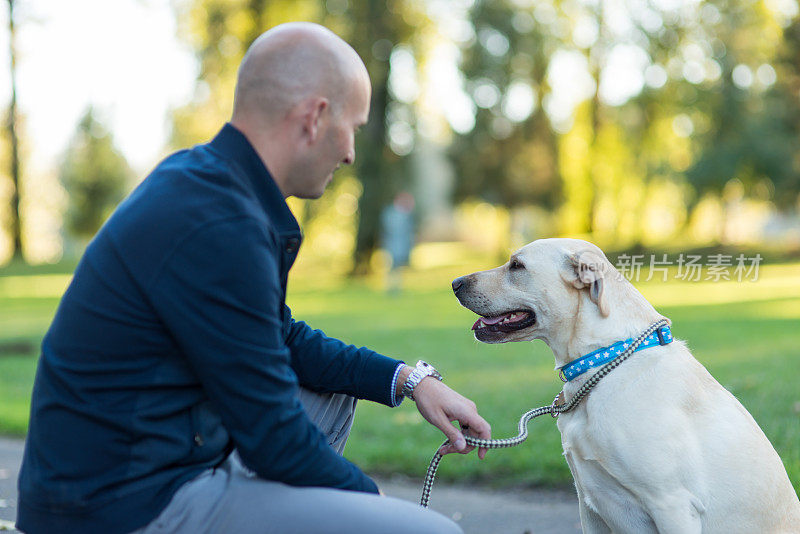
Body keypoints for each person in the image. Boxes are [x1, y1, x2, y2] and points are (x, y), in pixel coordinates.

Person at [16, 22, 491, 534]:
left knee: (330, 392)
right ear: (314, 117)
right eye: (351, 127)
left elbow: (281, 339)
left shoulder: (211, 186)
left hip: (144, 472)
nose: (351, 152)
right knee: (433, 533)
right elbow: (274, 438)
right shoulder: (219, 222)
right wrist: (371, 507)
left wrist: (409, 380)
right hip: (120, 506)